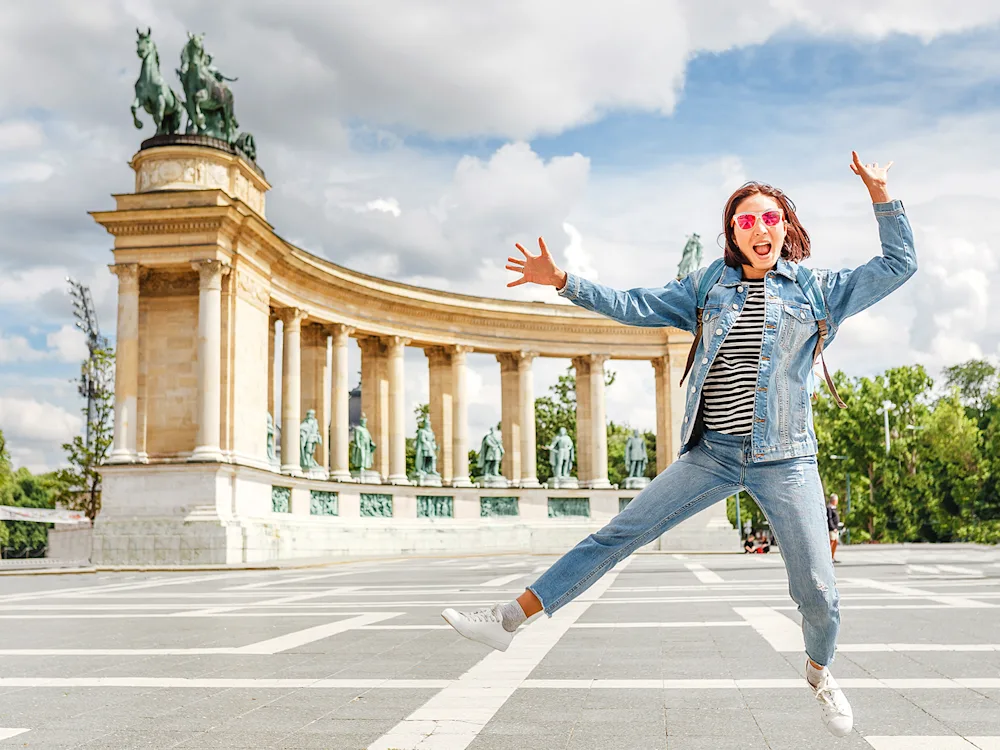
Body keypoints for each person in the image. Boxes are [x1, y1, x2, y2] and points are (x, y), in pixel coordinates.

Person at [441, 152, 916, 738]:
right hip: (711, 455)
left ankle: (820, 672)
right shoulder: (706, 287)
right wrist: (564, 281)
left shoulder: (819, 291)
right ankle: (507, 620)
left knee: (818, 589)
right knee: (616, 534)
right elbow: (635, 304)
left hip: (787, 459)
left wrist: (881, 194)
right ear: (732, 235)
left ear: (787, 226)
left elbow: (899, 263)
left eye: (770, 218)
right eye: (746, 222)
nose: (760, 229)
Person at [827, 494, 841, 563]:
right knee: (831, 542)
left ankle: (832, 556)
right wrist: (832, 527)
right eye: (836, 500)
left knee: (836, 542)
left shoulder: (834, 508)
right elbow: (829, 519)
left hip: (836, 528)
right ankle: (828, 557)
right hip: (832, 529)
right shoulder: (829, 508)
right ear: (833, 500)